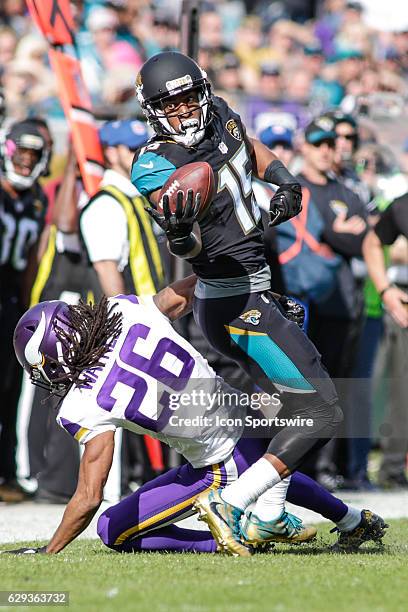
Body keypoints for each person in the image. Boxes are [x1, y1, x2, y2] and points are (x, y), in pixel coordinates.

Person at [130, 51, 343, 556]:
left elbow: (245, 144)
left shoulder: (221, 113)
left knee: (291, 406)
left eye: (187, 98)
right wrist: (180, 232)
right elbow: (188, 249)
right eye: (170, 104)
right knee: (320, 410)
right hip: (234, 302)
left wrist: (284, 179)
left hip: (255, 289)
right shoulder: (154, 165)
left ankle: (268, 517)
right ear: (152, 110)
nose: (183, 111)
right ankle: (233, 504)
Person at [7, 285, 387, 555]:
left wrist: (49, 550)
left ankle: (233, 536)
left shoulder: (81, 404)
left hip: (217, 464)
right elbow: (192, 289)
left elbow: (90, 497)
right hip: (250, 418)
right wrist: (248, 296)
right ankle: (354, 520)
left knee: (112, 529)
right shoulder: (124, 310)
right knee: (259, 466)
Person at [80, 118, 167, 494]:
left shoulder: (138, 196)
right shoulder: (107, 203)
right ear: (111, 152)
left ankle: (150, 474)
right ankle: (133, 478)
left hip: (154, 311)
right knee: (132, 402)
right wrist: (124, 323)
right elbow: (106, 270)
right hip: (133, 318)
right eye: (130, 150)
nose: (138, 156)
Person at [0, 120, 48, 502]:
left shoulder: (36, 199)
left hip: (12, 299)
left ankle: (7, 474)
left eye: (34, 155)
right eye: (22, 153)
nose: (27, 161)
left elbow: (32, 257)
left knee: (9, 390)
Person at [363, 195, 408, 487]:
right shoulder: (404, 205)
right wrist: (386, 290)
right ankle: (392, 467)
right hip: (404, 299)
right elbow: (372, 242)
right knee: (403, 390)